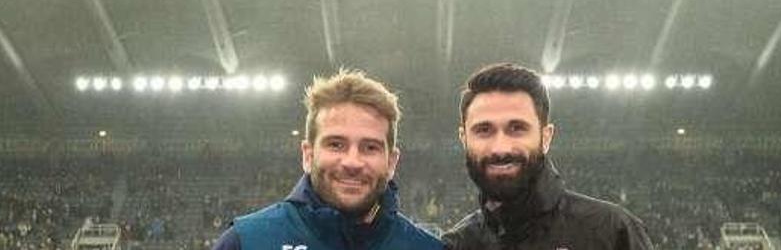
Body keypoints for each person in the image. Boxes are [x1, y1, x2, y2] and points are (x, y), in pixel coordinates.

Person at [212, 69, 442, 250]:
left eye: (370, 147)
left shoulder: (427, 247)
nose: (352, 162)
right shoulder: (248, 242)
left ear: (391, 162)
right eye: (336, 145)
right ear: (308, 155)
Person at [443, 63, 653, 250]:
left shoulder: (611, 231)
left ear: (546, 137)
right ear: (464, 138)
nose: (501, 148)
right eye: (483, 130)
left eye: (517, 128)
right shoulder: (458, 244)